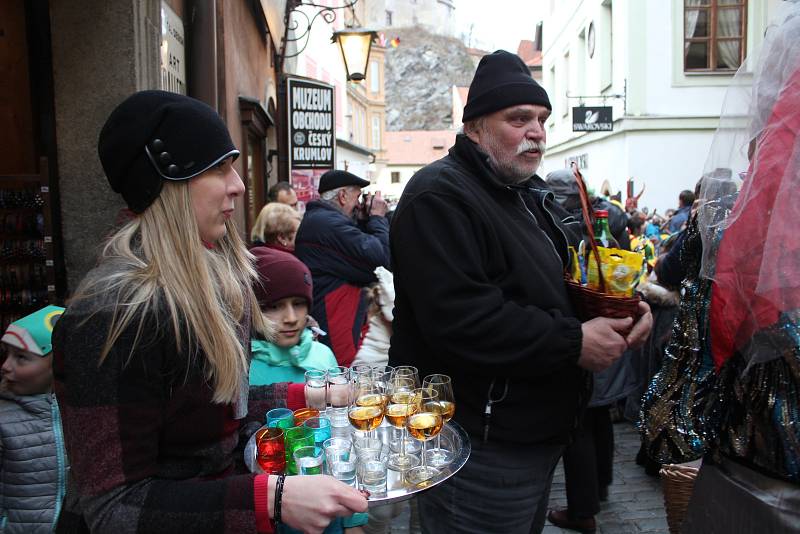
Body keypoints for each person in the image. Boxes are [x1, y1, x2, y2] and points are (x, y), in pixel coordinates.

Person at [52, 90, 366, 534]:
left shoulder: (209, 277)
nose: (237, 184)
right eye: (219, 168)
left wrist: (308, 397)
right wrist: (270, 499)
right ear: (169, 182)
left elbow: (207, 414)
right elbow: (113, 506)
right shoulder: (113, 312)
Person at [388, 50, 653, 534]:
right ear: (474, 127)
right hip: (477, 443)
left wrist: (630, 307)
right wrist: (574, 341)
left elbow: (563, 284)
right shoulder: (439, 195)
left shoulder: (523, 195)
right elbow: (462, 319)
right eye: (518, 119)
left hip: (532, 435)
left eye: (542, 119)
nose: (536, 131)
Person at [294, 170, 390, 366]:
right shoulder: (327, 223)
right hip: (334, 317)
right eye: (358, 197)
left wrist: (363, 221)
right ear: (343, 195)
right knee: (342, 378)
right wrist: (378, 218)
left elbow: (357, 260)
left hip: (335, 312)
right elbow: (381, 259)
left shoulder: (321, 220)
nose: (359, 204)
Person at [0, 305, 67, 533]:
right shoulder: (3, 420)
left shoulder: (83, 415)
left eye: (21, 357)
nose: (5, 366)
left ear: (57, 363)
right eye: (6, 354)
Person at [249, 247, 337, 384]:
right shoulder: (241, 369)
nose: (291, 319)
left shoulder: (323, 356)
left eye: (298, 304)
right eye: (274, 306)